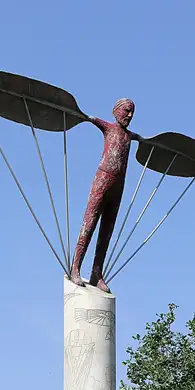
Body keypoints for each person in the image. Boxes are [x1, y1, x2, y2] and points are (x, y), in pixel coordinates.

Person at [70, 98, 141, 292]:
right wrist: (85, 116)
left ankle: (97, 272)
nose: (130, 115)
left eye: (132, 112)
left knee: (107, 230)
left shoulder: (130, 136)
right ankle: (75, 267)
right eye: (127, 110)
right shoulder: (108, 128)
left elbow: (143, 140)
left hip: (119, 184)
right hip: (103, 178)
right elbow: (91, 119)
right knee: (89, 223)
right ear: (116, 111)